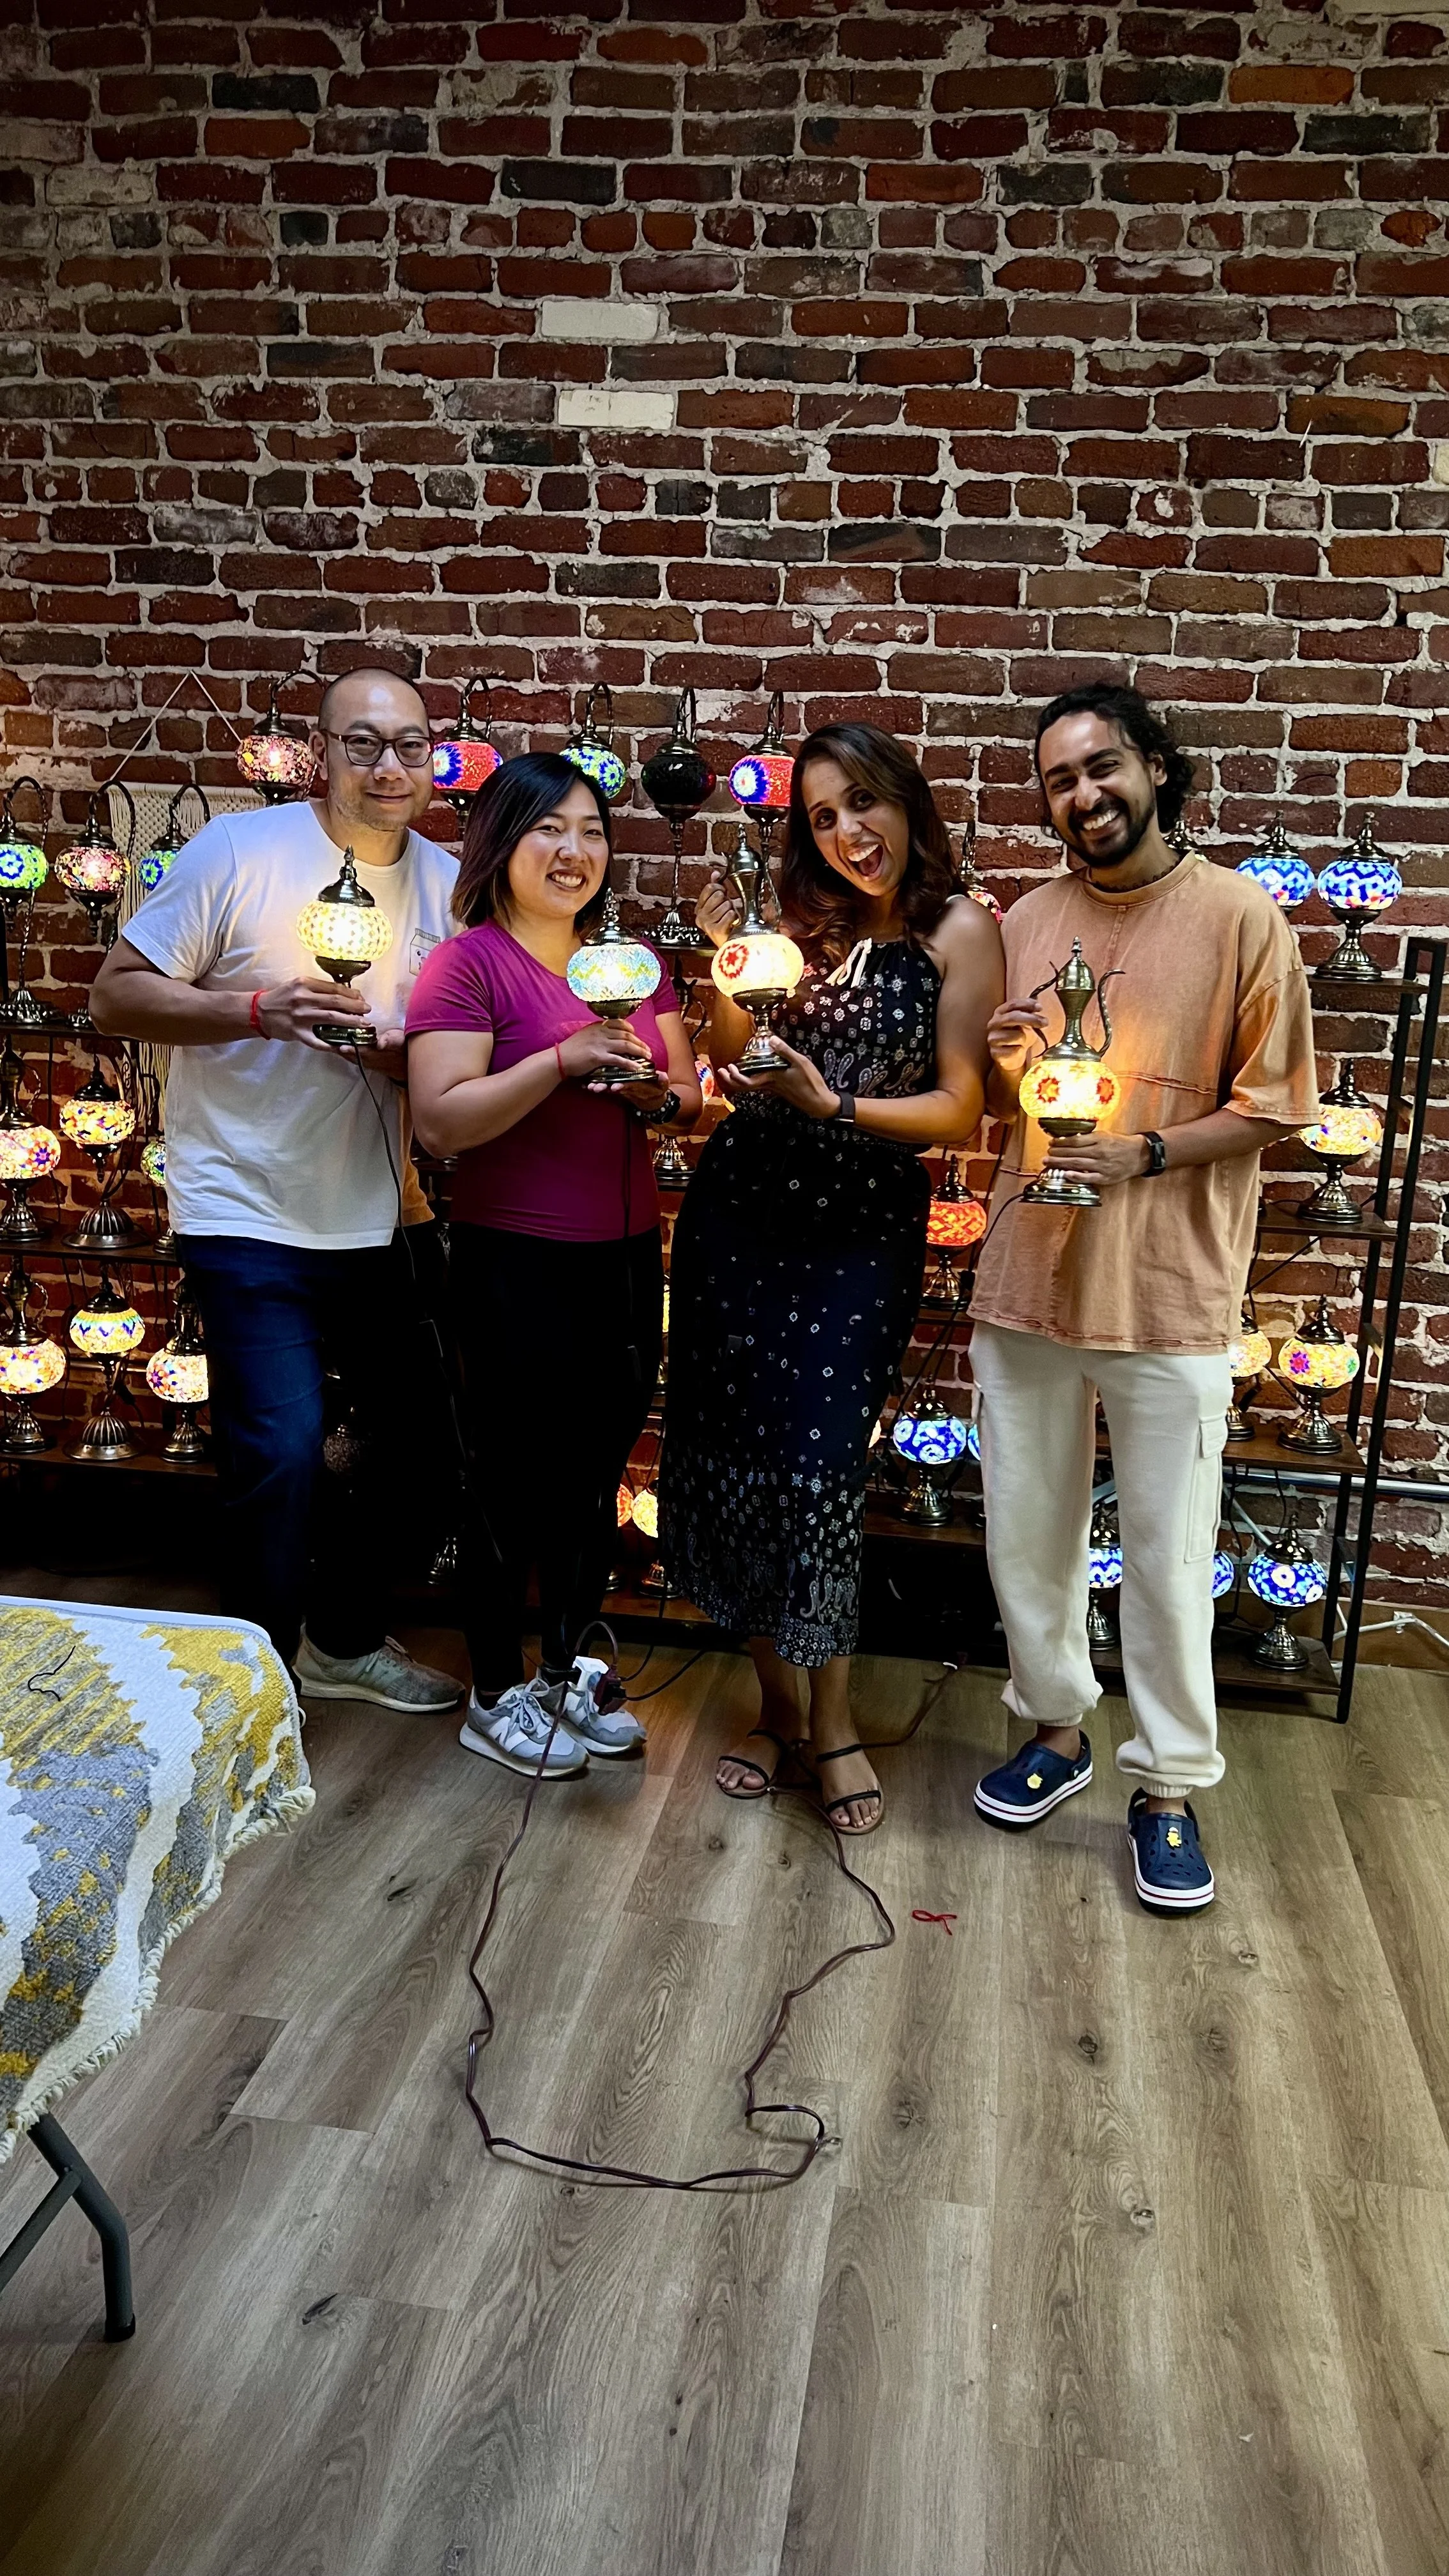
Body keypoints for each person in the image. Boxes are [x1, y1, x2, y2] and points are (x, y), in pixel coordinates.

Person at [969, 682, 1320, 1913]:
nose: (1083, 796)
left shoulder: (1239, 916)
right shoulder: (1023, 919)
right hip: (1026, 1276)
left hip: (1168, 1290)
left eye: (1103, 767)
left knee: (1169, 1557)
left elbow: (1279, 1101)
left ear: (1158, 769)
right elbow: (999, 1100)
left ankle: (1168, 1786)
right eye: (1060, 779)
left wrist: (1152, 1153)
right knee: (1027, 1534)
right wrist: (1013, 1067)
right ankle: (1056, 1733)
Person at [89, 664, 463, 1715]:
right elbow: (114, 996)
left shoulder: (446, 882)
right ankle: (258, 1684)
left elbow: (445, 1060)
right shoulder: (240, 852)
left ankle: (340, 1639)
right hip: (245, 1207)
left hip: (383, 1215)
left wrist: (393, 1055)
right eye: (364, 743)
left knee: (432, 1454)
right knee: (282, 1453)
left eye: (411, 744)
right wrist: (257, 1010)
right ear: (320, 749)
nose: (390, 766)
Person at [661, 723, 1002, 1835]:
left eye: (862, 803)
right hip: (742, 1215)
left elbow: (962, 1106)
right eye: (820, 817)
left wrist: (839, 1108)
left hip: (858, 1230)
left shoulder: (959, 930)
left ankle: (839, 1720)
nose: (847, 832)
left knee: (818, 1468)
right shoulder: (798, 921)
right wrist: (727, 962)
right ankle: (773, 1707)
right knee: (735, 1456)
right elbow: (730, 1058)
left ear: (905, 798)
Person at [407, 753, 702, 1778]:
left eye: (591, 830)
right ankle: (494, 1690)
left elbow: (687, 1095)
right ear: (501, 845)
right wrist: (560, 1063)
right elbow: (441, 1122)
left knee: (593, 1472)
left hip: (623, 1254)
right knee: (508, 1479)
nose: (575, 851)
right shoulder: (470, 966)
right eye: (549, 830)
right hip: (511, 1261)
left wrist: (652, 1096)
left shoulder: (631, 967)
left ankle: (567, 1669)